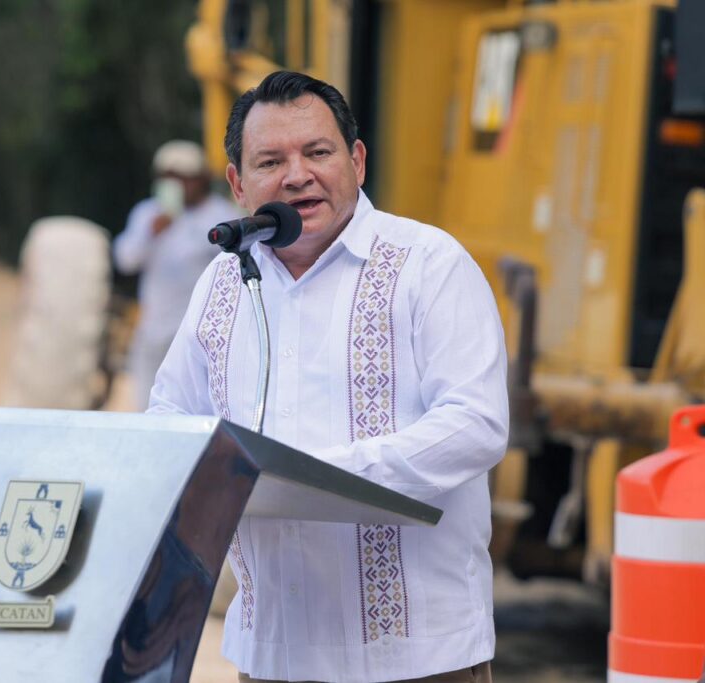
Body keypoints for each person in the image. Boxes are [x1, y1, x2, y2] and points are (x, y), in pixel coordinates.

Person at [148, 71, 508, 682]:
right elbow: (168, 421)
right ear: (238, 183)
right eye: (270, 161)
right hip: (271, 657)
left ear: (357, 161)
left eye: (318, 152)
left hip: (415, 661)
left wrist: (324, 478)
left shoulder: (428, 264)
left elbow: (476, 424)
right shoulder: (222, 282)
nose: (296, 175)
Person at [114, 140, 240, 410]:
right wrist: (151, 232)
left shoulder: (222, 216)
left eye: (182, 179)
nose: (175, 187)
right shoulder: (147, 213)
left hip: (201, 335)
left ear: (200, 180)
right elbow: (125, 260)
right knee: (148, 407)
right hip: (152, 332)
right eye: (167, 180)